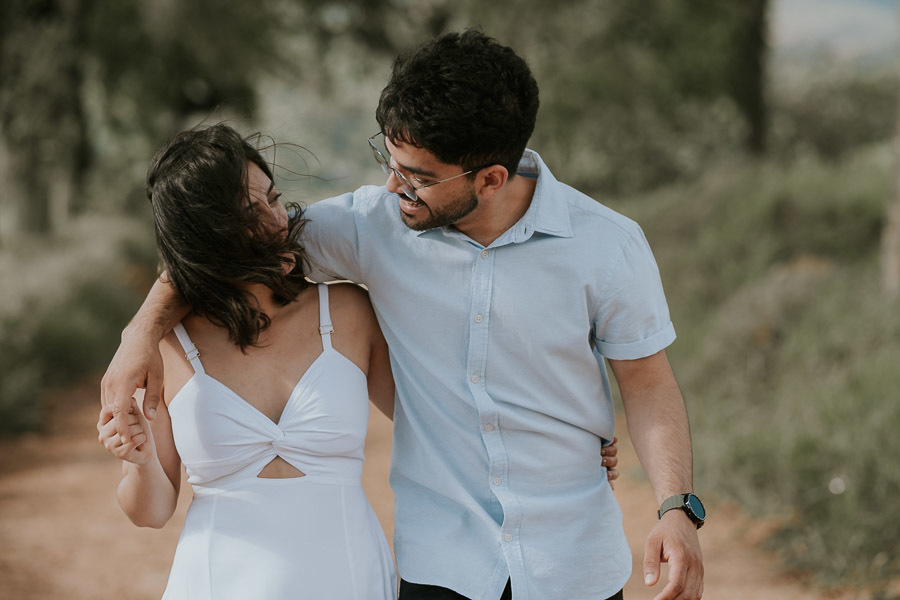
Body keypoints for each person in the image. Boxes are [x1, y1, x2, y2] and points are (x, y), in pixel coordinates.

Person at [102, 30, 701, 600]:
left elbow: (648, 384)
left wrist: (675, 507)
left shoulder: (608, 245)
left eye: (417, 178)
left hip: (573, 560)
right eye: (389, 160)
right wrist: (140, 335)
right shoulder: (369, 227)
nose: (392, 188)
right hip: (440, 563)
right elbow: (224, 244)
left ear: (491, 178)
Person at [96, 124, 398, 599]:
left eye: (274, 198)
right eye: (250, 213)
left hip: (348, 574)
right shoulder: (168, 349)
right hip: (218, 581)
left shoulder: (345, 312)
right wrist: (140, 460)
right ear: (208, 237)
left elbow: (429, 421)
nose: (279, 220)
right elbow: (151, 512)